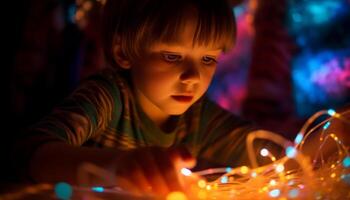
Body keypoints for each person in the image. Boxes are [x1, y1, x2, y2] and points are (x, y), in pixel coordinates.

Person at [12, 0, 271, 197]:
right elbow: (28, 151)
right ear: (123, 52)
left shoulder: (198, 117)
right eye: (172, 56)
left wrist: (308, 151)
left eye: (208, 59)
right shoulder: (108, 97)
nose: (193, 76)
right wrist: (118, 166)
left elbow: (260, 147)